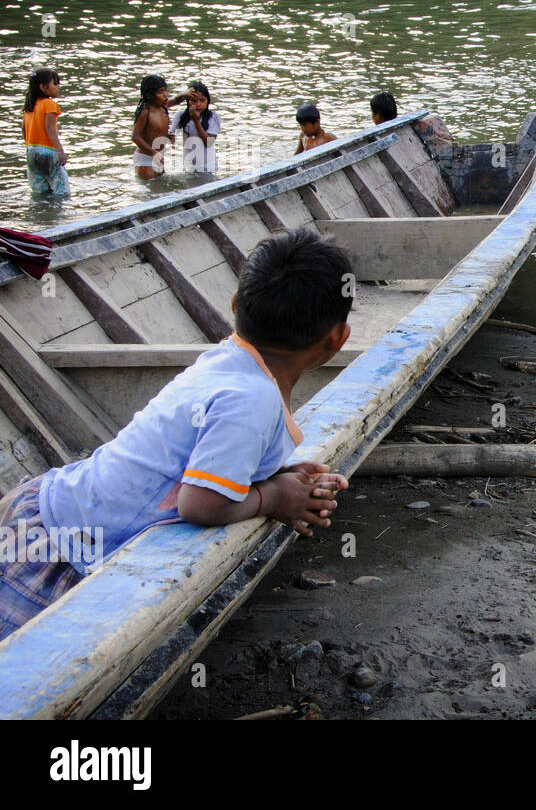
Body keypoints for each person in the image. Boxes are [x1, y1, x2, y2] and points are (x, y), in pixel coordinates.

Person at [0, 228, 353, 639]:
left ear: (236, 305)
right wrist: (274, 497)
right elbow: (200, 505)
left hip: (55, 509)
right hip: (61, 547)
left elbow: (204, 450)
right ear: (338, 338)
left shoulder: (229, 359)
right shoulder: (253, 398)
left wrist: (274, 473)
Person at [22, 67, 69, 197]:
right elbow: (50, 129)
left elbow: (24, 129)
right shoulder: (49, 104)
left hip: (31, 151)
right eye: (55, 83)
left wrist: (28, 148)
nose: (58, 86)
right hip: (48, 152)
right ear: (43, 87)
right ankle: (58, 216)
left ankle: (41, 215)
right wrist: (61, 152)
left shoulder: (29, 106)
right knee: (62, 191)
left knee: (39, 192)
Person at [170, 81, 220, 175]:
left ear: (207, 101)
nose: (198, 104)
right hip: (189, 167)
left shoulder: (213, 117)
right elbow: (171, 134)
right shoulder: (180, 116)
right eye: (194, 100)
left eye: (202, 100)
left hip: (208, 167)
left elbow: (208, 142)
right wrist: (170, 136)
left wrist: (196, 121)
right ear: (188, 101)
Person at [131, 74, 173, 178]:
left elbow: (154, 131)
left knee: (159, 189)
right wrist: (154, 152)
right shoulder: (146, 111)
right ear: (150, 94)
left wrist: (167, 137)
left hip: (158, 156)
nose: (165, 94)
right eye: (160, 92)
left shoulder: (163, 109)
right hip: (145, 159)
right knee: (151, 189)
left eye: (165, 90)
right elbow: (135, 137)